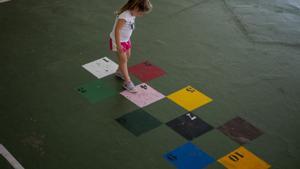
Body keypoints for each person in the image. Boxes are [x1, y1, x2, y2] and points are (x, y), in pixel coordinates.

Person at [109, 0, 152, 93]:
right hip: (118, 42)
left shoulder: (132, 14)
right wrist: (119, 45)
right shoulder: (124, 16)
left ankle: (119, 71)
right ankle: (127, 82)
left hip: (126, 40)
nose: (141, 15)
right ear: (136, 8)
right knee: (123, 60)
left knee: (128, 56)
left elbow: (128, 29)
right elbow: (117, 31)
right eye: (141, 13)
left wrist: (128, 40)